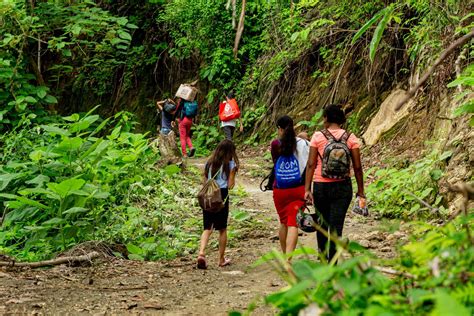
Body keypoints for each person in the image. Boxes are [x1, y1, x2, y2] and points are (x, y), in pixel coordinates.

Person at [304, 104, 366, 262]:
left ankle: (324, 259)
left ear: (325, 118)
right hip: (343, 187)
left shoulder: (318, 136)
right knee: (336, 227)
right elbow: (357, 167)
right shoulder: (351, 137)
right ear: (341, 119)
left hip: (320, 186)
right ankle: (334, 263)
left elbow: (311, 164)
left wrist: (307, 189)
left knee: (322, 225)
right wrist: (361, 191)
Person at [197, 140, 239, 269]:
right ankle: (221, 259)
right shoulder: (230, 164)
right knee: (222, 229)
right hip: (221, 195)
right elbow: (230, 185)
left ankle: (201, 253)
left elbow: (204, 180)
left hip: (209, 195)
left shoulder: (209, 162)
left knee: (207, 227)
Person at [271, 115, 309, 255]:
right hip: (298, 188)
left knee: (283, 222)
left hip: (280, 189)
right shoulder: (301, 143)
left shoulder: (275, 144)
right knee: (293, 223)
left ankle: (284, 254)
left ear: (280, 129)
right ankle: (289, 258)